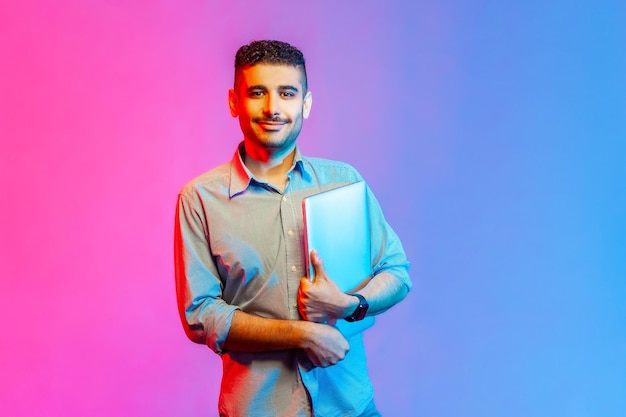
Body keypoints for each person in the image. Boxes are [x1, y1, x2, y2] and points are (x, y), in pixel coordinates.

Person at [174, 40, 412, 417]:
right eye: (257, 93)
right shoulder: (200, 199)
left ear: (306, 103)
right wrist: (302, 334)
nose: (272, 108)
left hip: (351, 406)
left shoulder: (343, 182)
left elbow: (396, 273)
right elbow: (201, 315)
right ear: (235, 102)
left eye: (287, 93)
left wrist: (350, 306)